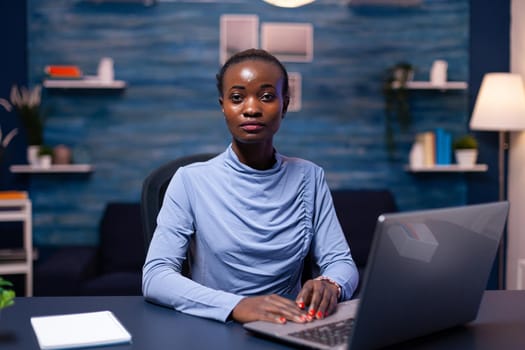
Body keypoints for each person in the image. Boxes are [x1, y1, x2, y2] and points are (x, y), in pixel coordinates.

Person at [142, 48, 359, 324]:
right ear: (223, 106)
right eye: (237, 97)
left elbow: (342, 262)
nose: (252, 108)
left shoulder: (310, 177)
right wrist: (237, 306)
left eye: (267, 96)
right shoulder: (189, 181)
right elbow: (156, 277)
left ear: (285, 104)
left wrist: (331, 284)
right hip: (212, 326)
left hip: (290, 325)